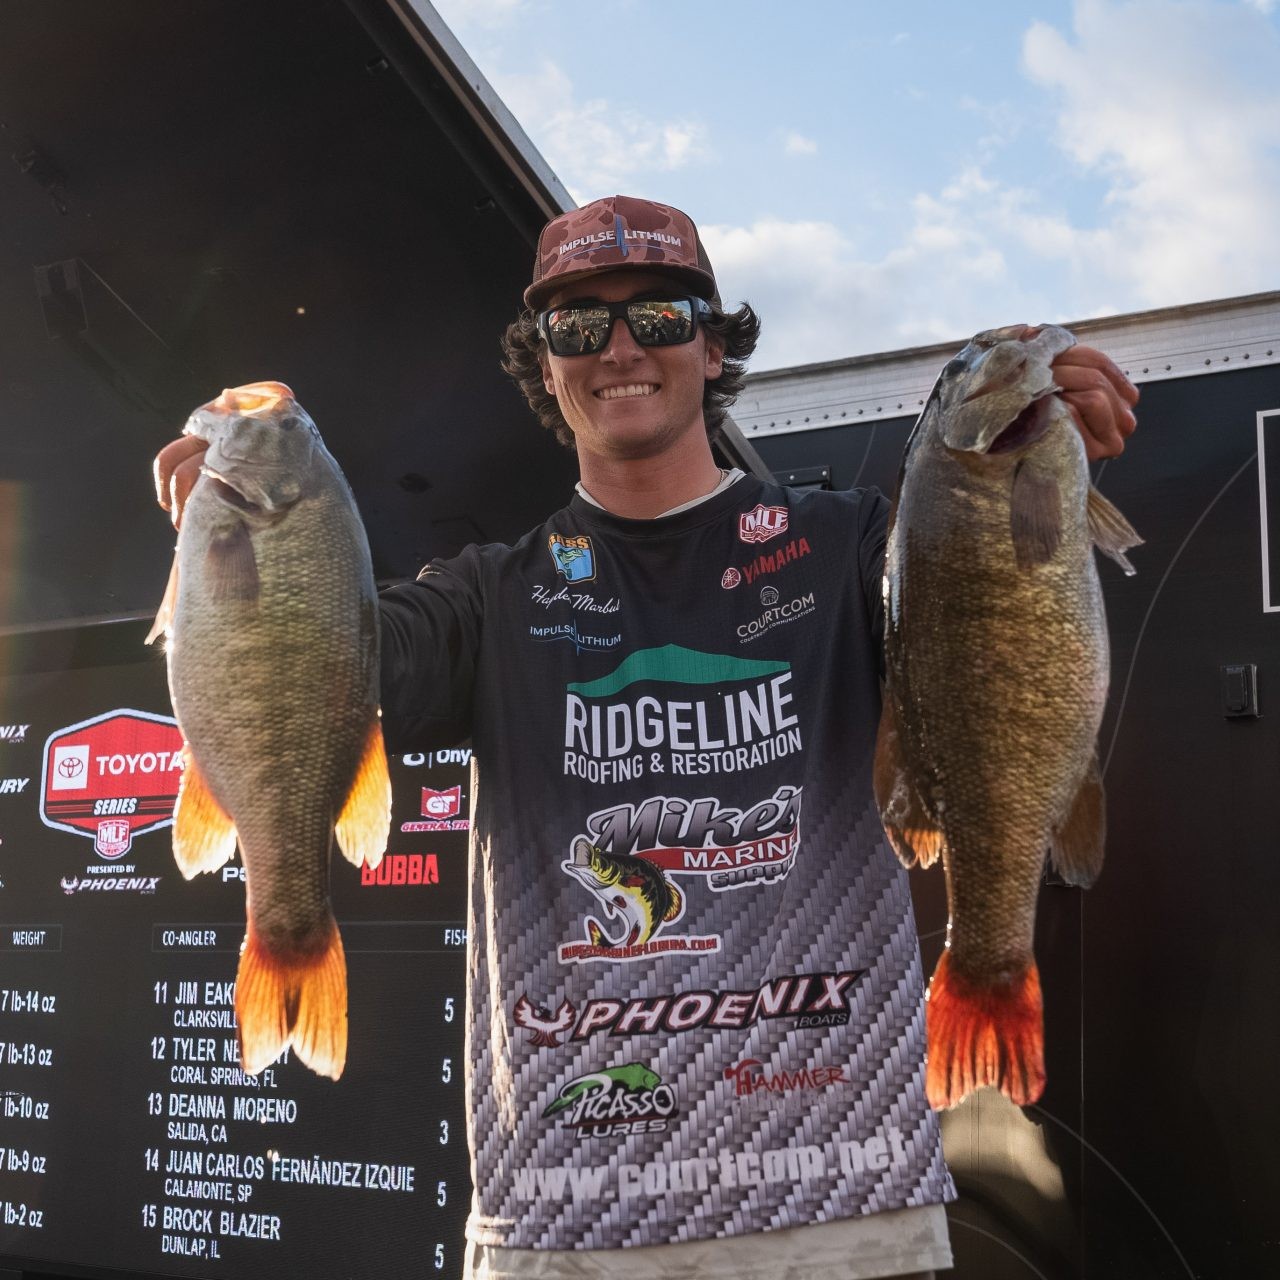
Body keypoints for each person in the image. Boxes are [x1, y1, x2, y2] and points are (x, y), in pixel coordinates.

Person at [154, 194, 1137, 1280]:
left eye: (659, 315)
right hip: (564, 1220)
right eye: (578, 325)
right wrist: (239, 550)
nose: (619, 348)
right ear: (546, 367)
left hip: (840, 1199)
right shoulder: (486, 594)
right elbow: (316, 673)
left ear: (712, 348)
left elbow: (989, 626)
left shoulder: (854, 544)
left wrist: (1046, 457)